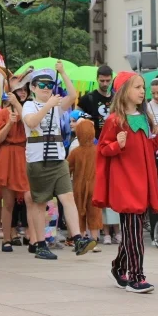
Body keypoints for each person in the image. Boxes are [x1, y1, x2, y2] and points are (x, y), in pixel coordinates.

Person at [93, 72, 158, 294]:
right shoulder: (115, 120)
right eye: (137, 87)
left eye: (143, 87)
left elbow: (148, 149)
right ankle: (136, 276)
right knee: (133, 231)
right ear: (124, 90)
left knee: (132, 231)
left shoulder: (144, 118)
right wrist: (117, 144)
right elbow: (103, 150)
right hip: (126, 182)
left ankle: (118, 267)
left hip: (143, 181)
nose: (142, 91)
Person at [22, 63, 96, 260]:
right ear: (33, 87)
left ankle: (78, 238)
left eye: (49, 84)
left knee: (67, 197)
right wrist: (48, 105)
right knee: (40, 202)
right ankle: (39, 244)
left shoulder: (57, 106)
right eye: (41, 84)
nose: (46, 88)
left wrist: (62, 73)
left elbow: (72, 96)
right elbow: (31, 122)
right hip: (38, 160)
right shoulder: (29, 105)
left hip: (58, 159)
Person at [0, 92, 32, 253]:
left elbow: (32, 130)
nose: (21, 94)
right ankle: (6, 238)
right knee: (8, 202)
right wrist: (9, 124)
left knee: (29, 199)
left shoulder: (28, 112)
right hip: (6, 156)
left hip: (23, 155)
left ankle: (32, 237)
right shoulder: (2, 113)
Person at [67, 118, 102, 246]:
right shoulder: (98, 150)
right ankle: (94, 239)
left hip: (78, 187)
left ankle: (80, 239)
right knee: (94, 212)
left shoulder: (75, 152)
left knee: (78, 211)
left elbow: (67, 168)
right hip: (95, 186)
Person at [77, 65, 113, 139]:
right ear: (97, 79)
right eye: (102, 81)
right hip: (94, 142)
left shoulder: (116, 98)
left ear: (111, 79)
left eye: (108, 80)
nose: (105, 84)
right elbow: (75, 117)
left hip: (113, 142)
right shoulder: (88, 98)